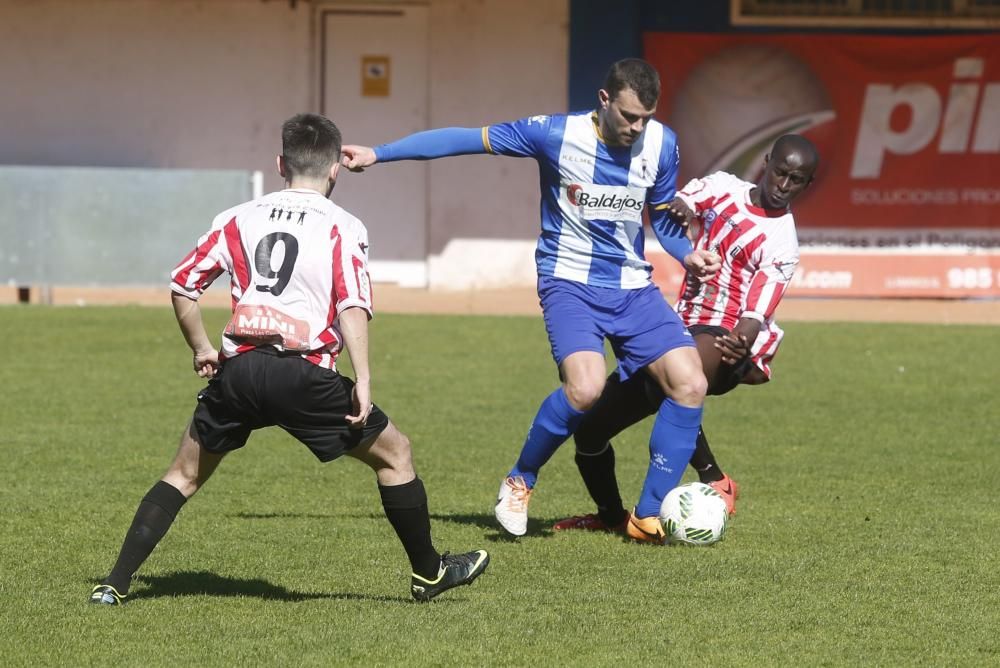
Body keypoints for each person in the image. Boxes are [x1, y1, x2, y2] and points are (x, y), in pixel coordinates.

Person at [89, 113, 489, 606]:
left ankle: (115, 582)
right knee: (396, 454)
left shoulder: (238, 217)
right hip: (304, 375)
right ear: (335, 170)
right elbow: (351, 304)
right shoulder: (344, 226)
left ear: (280, 163)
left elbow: (182, 285)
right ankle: (429, 573)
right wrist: (363, 377)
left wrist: (201, 349)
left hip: (240, 372)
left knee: (183, 474)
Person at [341, 58, 721, 542]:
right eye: (628, 116)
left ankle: (646, 518)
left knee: (690, 382)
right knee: (584, 389)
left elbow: (663, 213)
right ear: (604, 101)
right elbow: (465, 139)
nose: (637, 127)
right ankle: (521, 479)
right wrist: (380, 153)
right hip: (569, 282)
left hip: (632, 286)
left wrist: (687, 254)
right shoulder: (552, 135)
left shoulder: (662, 144)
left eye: (645, 117)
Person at [552, 134, 819, 533]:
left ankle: (685, 494)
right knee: (590, 432)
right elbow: (684, 201)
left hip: (728, 341)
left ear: (806, 184)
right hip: (679, 325)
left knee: (675, 379)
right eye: (780, 172)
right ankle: (611, 516)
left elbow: (757, 310)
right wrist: (677, 207)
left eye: (795, 180)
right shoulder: (724, 187)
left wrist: (743, 337)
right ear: (767, 161)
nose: (783, 185)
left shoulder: (783, 243)